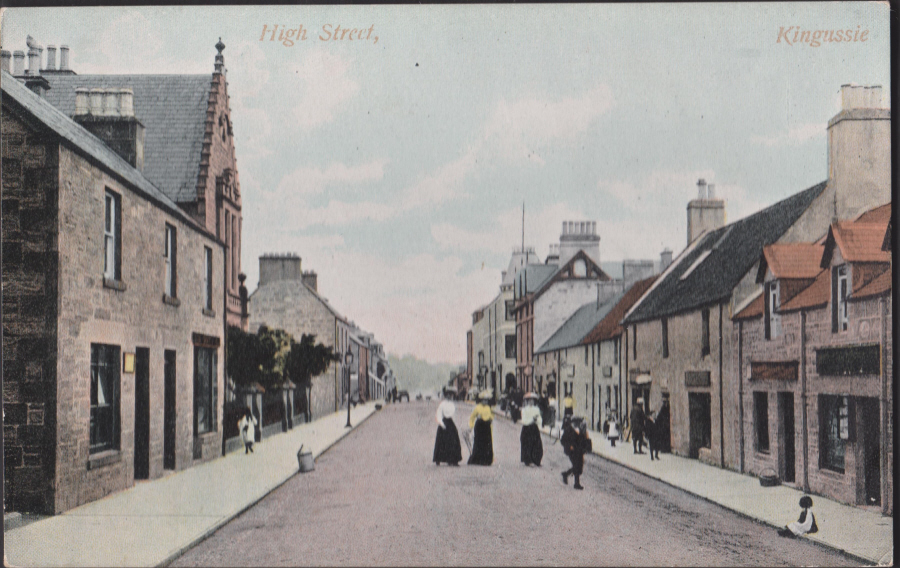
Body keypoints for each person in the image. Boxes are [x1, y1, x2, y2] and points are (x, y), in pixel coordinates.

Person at [561, 417, 592, 490]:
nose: (578, 424)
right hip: (571, 451)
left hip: (579, 451)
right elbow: (563, 440)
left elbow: (585, 440)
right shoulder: (568, 430)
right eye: (576, 423)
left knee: (579, 466)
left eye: (579, 423)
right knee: (576, 465)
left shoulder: (582, 430)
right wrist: (569, 446)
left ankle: (566, 474)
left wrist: (587, 447)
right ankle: (576, 483)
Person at [433, 398, 462, 466]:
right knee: (442, 441)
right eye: (448, 394)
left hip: (450, 423)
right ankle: (438, 459)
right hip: (444, 423)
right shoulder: (442, 404)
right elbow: (438, 415)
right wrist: (442, 424)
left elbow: (454, 415)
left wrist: (456, 424)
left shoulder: (452, 404)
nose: (449, 396)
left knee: (454, 440)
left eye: (451, 395)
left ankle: (453, 459)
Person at [467, 392, 494, 466]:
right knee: (479, 442)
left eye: (486, 400)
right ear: (481, 400)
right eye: (484, 400)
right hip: (480, 426)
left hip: (487, 426)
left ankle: (487, 460)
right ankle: (478, 459)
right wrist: (471, 426)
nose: (485, 402)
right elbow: (472, 417)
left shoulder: (488, 407)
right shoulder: (477, 407)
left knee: (487, 442)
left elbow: (491, 415)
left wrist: (491, 419)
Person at [520, 393, 543, 466]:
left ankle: (536, 460)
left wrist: (537, 420)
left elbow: (539, 419)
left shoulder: (536, 409)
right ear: (527, 401)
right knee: (527, 444)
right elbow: (524, 420)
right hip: (527, 429)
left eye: (532, 400)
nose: (531, 402)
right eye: (529, 401)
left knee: (537, 444)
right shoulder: (524, 410)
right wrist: (531, 420)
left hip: (534, 428)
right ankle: (528, 460)